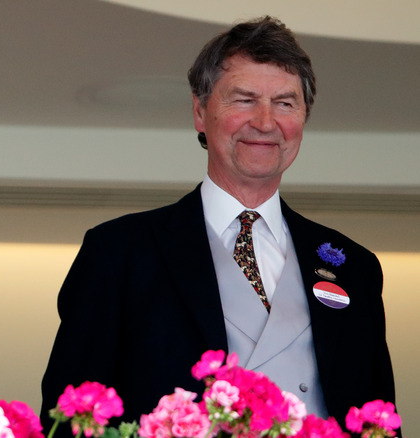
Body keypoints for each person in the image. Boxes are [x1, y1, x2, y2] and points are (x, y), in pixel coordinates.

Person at [41, 16, 397, 433]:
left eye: (285, 103)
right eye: (244, 99)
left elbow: (380, 419)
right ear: (199, 111)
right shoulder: (118, 251)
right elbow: (72, 416)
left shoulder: (355, 266)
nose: (266, 122)